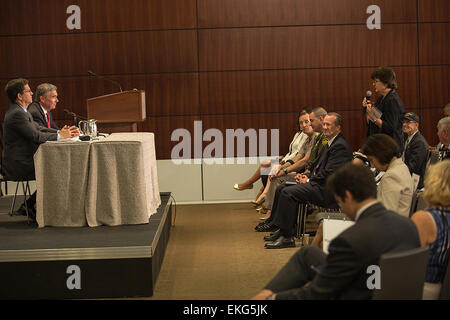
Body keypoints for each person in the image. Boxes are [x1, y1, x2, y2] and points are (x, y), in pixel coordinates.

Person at [252, 163, 420, 300]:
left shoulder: (349, 240)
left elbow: (317, 294)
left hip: (358, 292)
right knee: (308, 254)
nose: (341, 208)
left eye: (339, 202)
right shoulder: (408, 225)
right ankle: (264, 294)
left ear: (348, 196)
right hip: (377, 282)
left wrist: (273, 299)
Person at [260, 113, 353, 249]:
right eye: (324, 124)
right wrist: (305, 175)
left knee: (288, 193)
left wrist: (309, 179)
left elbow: (329, 173)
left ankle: (287, 238)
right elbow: (315, 164)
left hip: (328, 191)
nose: (325, 127)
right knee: (282, 188)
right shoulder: (329, 142)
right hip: (319, 184)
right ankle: (281, 229)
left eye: (328, 125)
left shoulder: (340, 146)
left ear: (338, 128)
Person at [2, 78, 79, 221]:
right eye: (28, 91)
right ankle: (30, 204)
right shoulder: (17, 113)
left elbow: (38, 128)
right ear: (19, 96)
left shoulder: (22, 111)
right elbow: (35, 136)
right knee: (58, 169)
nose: (32, 93)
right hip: (19, 164)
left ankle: (31, 205)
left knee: (59, 167)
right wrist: (60, 136)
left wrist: (59, 133)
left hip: (25, 159)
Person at [233, 109, 311, 192]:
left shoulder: (308, 136)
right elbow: (291, 151)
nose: (303, 125)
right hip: (287, 159)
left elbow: (298, 155)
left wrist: (283, 162)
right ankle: (257, 188)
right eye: (301, 123)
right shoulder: (298, 134)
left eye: (306, 122)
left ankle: (257, 189)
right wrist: (283, 159)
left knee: (268, 169)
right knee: (265, 165)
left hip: (293, 163)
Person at [411, 160, 450, 300]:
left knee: (371, 275)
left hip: (423, 287)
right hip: (442, 288)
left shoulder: (424, 219)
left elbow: (407, 262)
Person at [361, 134, 414, 217]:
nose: (372, 166)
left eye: (372, 160)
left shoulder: (391, 176)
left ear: (380, 155)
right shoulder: (402, 167)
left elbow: (387, 216)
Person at [362, 66, 405, 157]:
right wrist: (367, 111)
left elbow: (390, 127)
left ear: (385, 83)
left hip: (390, 148)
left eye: (376, 81)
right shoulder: (381, 99)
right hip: (380, 146)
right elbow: (372, 123)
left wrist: (373, 117)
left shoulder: (392, 100)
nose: (374, 84)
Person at [401, 112, 429, 189]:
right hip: (407, 178)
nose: (404, 124)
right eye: (404, 122)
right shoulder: (409, 139)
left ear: (416, 125)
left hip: (416, 183)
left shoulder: (419, 142)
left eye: (408, 122)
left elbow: (413, 167)